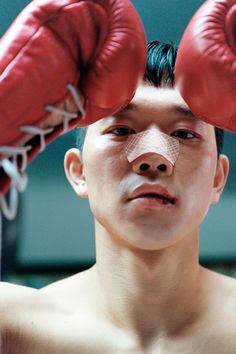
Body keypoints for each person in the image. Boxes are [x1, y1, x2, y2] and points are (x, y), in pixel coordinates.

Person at [1, 40, 236, 354]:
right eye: (122, 130)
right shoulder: (14, 328)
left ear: (217, 179)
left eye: (183, 133)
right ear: (78, 170)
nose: (153, 157)